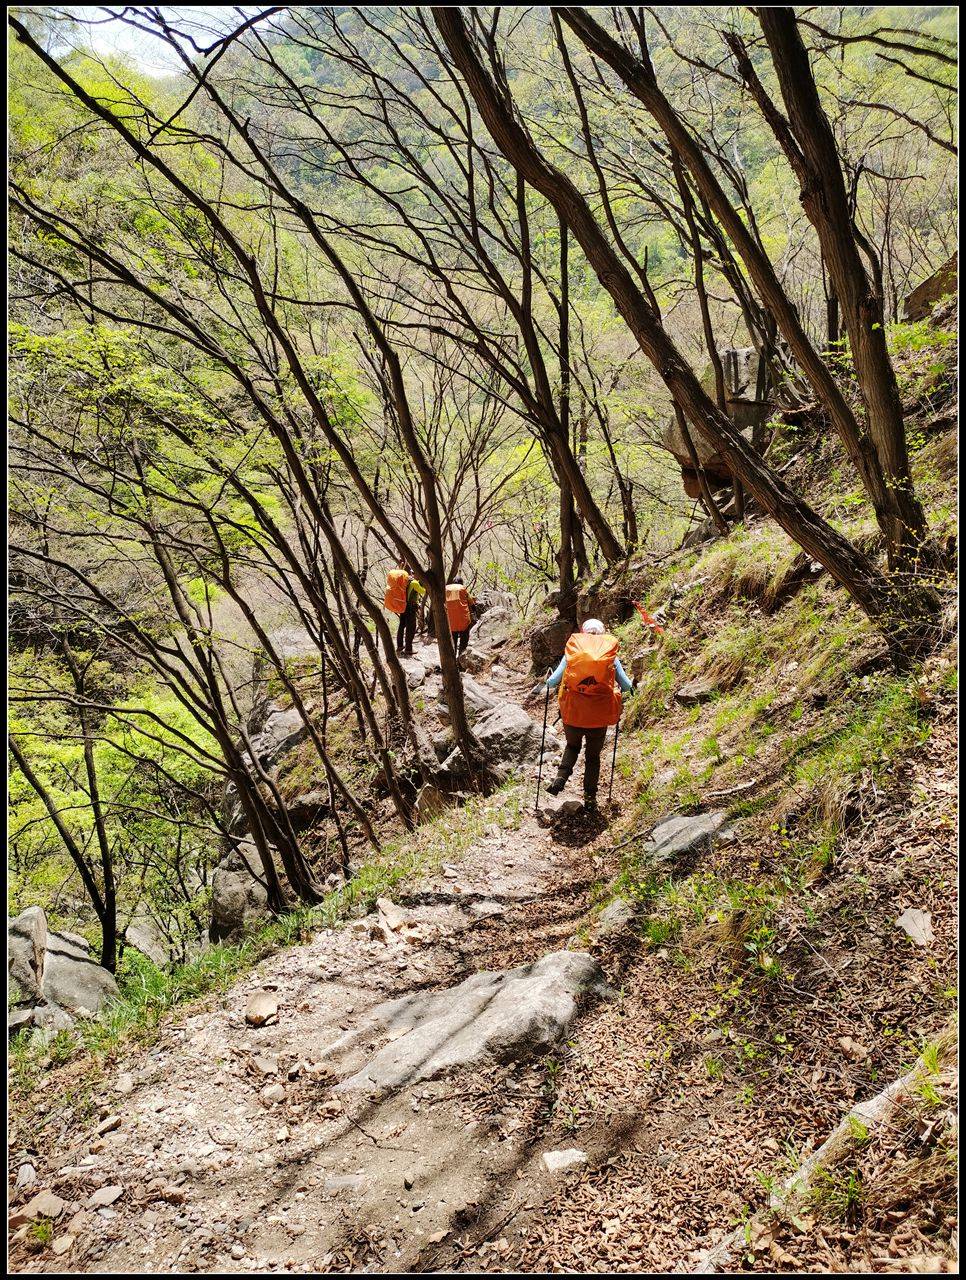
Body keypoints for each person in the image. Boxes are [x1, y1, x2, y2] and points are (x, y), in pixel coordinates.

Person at [535, 618, 634, 813]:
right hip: (598, 715)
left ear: (583, 632)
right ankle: (590, 798)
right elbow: (626, 686)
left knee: (572, 746)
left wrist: (547, 681)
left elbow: (553, 681)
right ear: (602, 633)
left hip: (573, 713)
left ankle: (560, 778)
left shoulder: (573, 651)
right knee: (592, 757)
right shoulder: (609, 655)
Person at [384, 566, 425, 657]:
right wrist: (422, 584)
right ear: (415, 574)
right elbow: (423, 591)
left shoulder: (406, 581)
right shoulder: (414, 583)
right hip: (410, 608)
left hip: (402, 606)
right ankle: (408, 649)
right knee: (411, 628)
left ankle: (399, 646)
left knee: (402, 625)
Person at [445, 576, 474, 657]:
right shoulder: (462, 588)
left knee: (452, 641)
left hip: (451, 621)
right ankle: (461, 659)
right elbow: (471, 602)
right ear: (461, 583)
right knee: (464, 641)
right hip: (463, 619)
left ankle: (452, 660)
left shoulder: (446, 588)